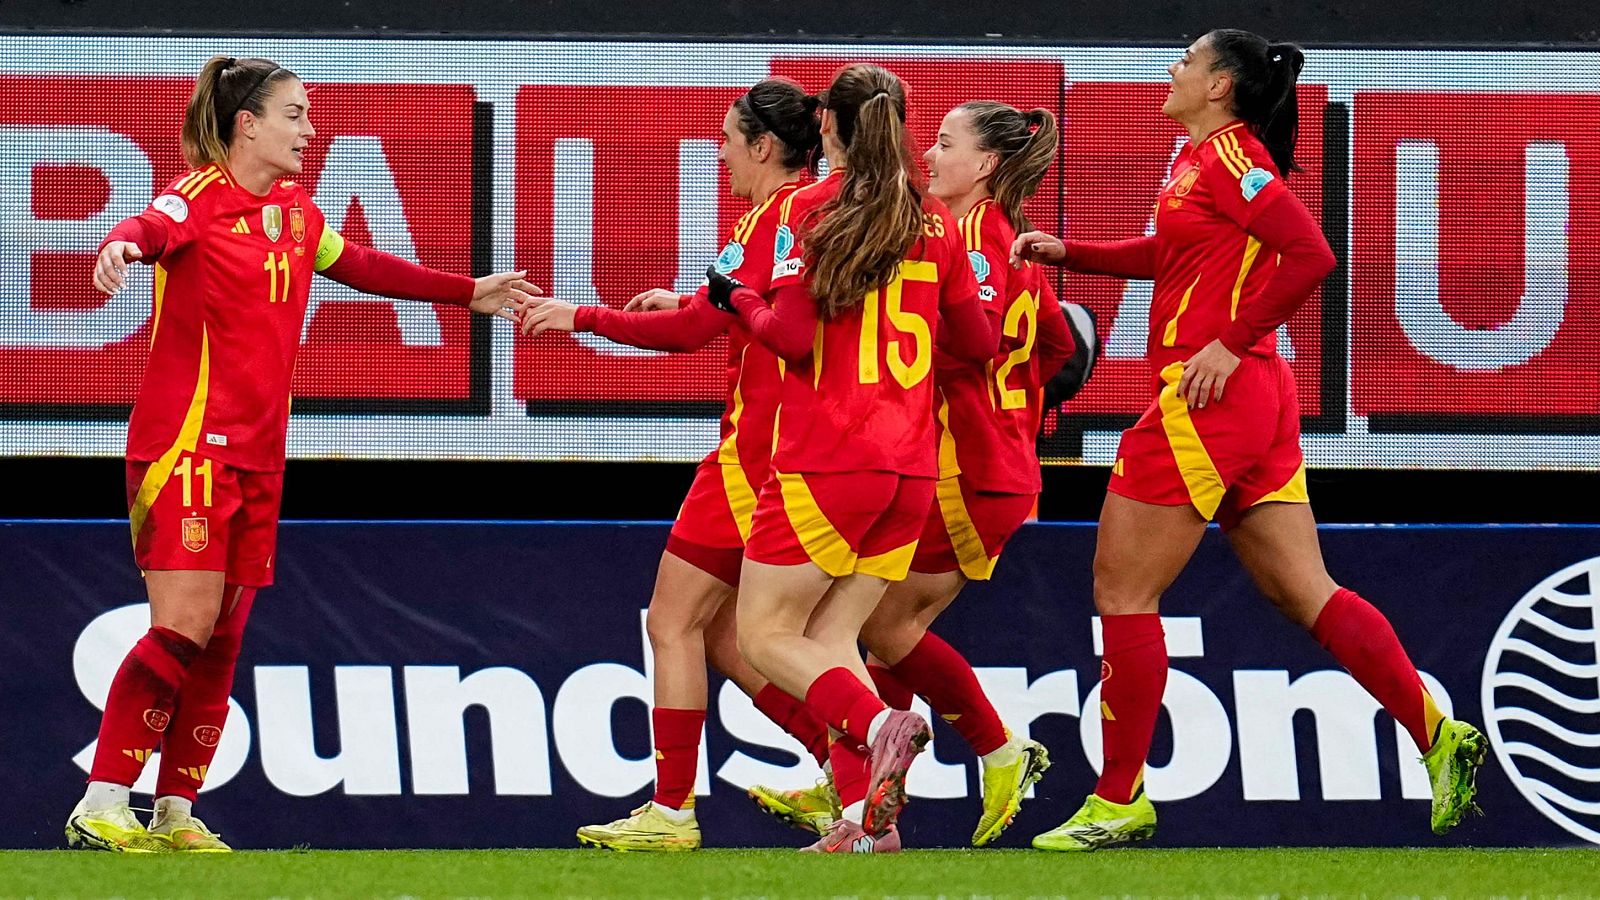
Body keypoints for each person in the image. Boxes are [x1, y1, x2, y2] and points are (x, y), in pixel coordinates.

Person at [1012, 30, 1486, 852]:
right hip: (1255, 401)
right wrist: (1073, 253)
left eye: (1187, 61)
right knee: (1305, 592)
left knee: (1123, 594)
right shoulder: (1198, 159)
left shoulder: (1234, 159)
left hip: (1209, 399)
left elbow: (1311, 253)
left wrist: (1230, 340)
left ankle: (1119, 799)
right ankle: (1438, 734)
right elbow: (1173, 254)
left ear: (1221, 84)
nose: (1172, 69)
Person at [69, 55, 535, 853]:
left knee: (222, 639)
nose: (309, 130)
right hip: (185, 451)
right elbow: (146, 227)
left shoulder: (294, 208)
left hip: (260, 456)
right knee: (181, 628)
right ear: (246, 124)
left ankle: (176, 813)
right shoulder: (197, 199)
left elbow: (360, 265)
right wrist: (118, 245)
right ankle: (103, 800)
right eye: (294, 114)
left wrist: (468, 292)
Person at [521, 77, 842, 851]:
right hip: (796, 451)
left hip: (753, 455)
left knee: (671, 621)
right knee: (728, 638)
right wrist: (685, 302)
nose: (721, 151)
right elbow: (719, 317)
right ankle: (853, 772)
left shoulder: (780, 213)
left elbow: (694, 336)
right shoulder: (793, 212)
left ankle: (672, 812)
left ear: (764, 146)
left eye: (729, 138)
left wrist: (578, 315)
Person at [708, 63, 997, 853]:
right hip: (909, 470)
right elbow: (976, 344)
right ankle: (866, 823)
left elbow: (791, 338)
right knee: (834, 640)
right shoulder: (932, 219)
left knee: (762, 635)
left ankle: (880, 724)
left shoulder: (810, 207)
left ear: (828, 127)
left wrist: (736, 298)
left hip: (829, 458)